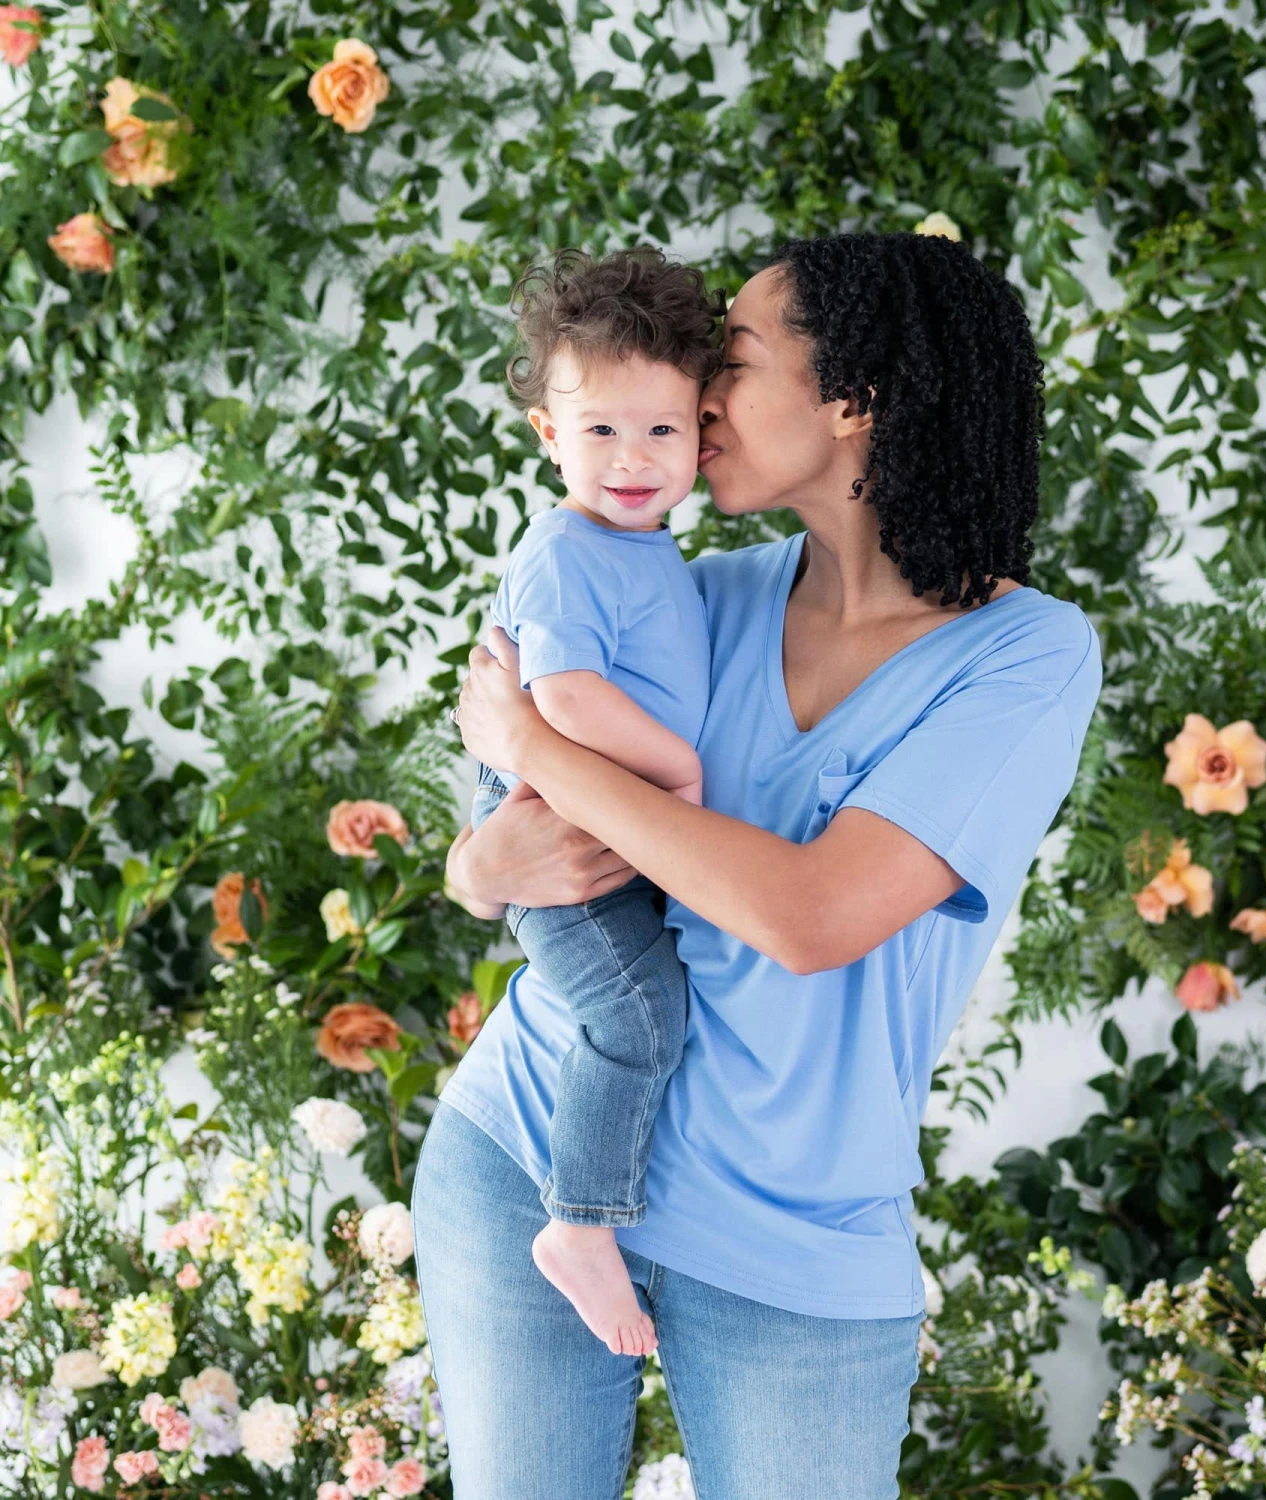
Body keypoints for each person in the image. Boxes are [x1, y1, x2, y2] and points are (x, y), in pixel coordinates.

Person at [414, 231, 1103, 1500]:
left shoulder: (1024, 657)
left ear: (855, 400)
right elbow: (512, 836)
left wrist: (532, 746)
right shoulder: (702, 596)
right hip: (532, 1150)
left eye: (730, 358)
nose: (696, 392)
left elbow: (813, 915)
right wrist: (476, 865)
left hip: (791, 1245)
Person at [465, 246, 721, 1356]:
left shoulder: (652, 552)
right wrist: (678, 773)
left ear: (703, 433)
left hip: (591, 827)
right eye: (600, 429)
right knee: (637, 1017)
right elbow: (562, 698)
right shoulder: (568, 552)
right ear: (547, 434)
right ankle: (577, 1225)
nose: (631, 458)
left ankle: (593, 1210)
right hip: (556, 836)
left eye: (661, 429)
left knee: (645, 1007)